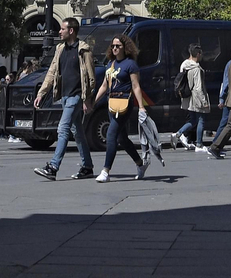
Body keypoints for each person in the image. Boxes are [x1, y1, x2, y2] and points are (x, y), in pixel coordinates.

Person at [33, 17, 96, 180]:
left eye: (62, 29)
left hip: (76, 96)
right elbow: (52, 73)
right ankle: (87, 167)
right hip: (65, 97)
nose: (59, 31)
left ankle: (53, 167)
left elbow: (91, 77)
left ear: (71, 31)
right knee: (77, 132)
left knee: (63, 128)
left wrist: (87, 99)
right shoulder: (60, 49)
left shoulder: (84, 50)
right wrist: (41, 93)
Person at [93, 33, 150, 182]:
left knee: (111, 134)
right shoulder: (110, 65)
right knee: (122, 138)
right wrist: (93, 102)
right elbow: (104, 86)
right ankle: (140, 163)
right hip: (112, 103)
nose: (115, 48)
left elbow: (136, 86)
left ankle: (105, 171)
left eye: (118, 46)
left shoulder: (130, 64)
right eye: (113, 46)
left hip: (125, 103)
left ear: (125, 47)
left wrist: (142, 107)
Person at [172, 45, 211, 150]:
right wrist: (204, 101)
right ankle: (199, 144)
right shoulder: (197, 69)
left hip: (188, 97)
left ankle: (178, 134)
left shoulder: (185, 65)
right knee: (201, 120)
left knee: (192, 121)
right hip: (197, 98)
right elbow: (198, 88)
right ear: (198, 54)